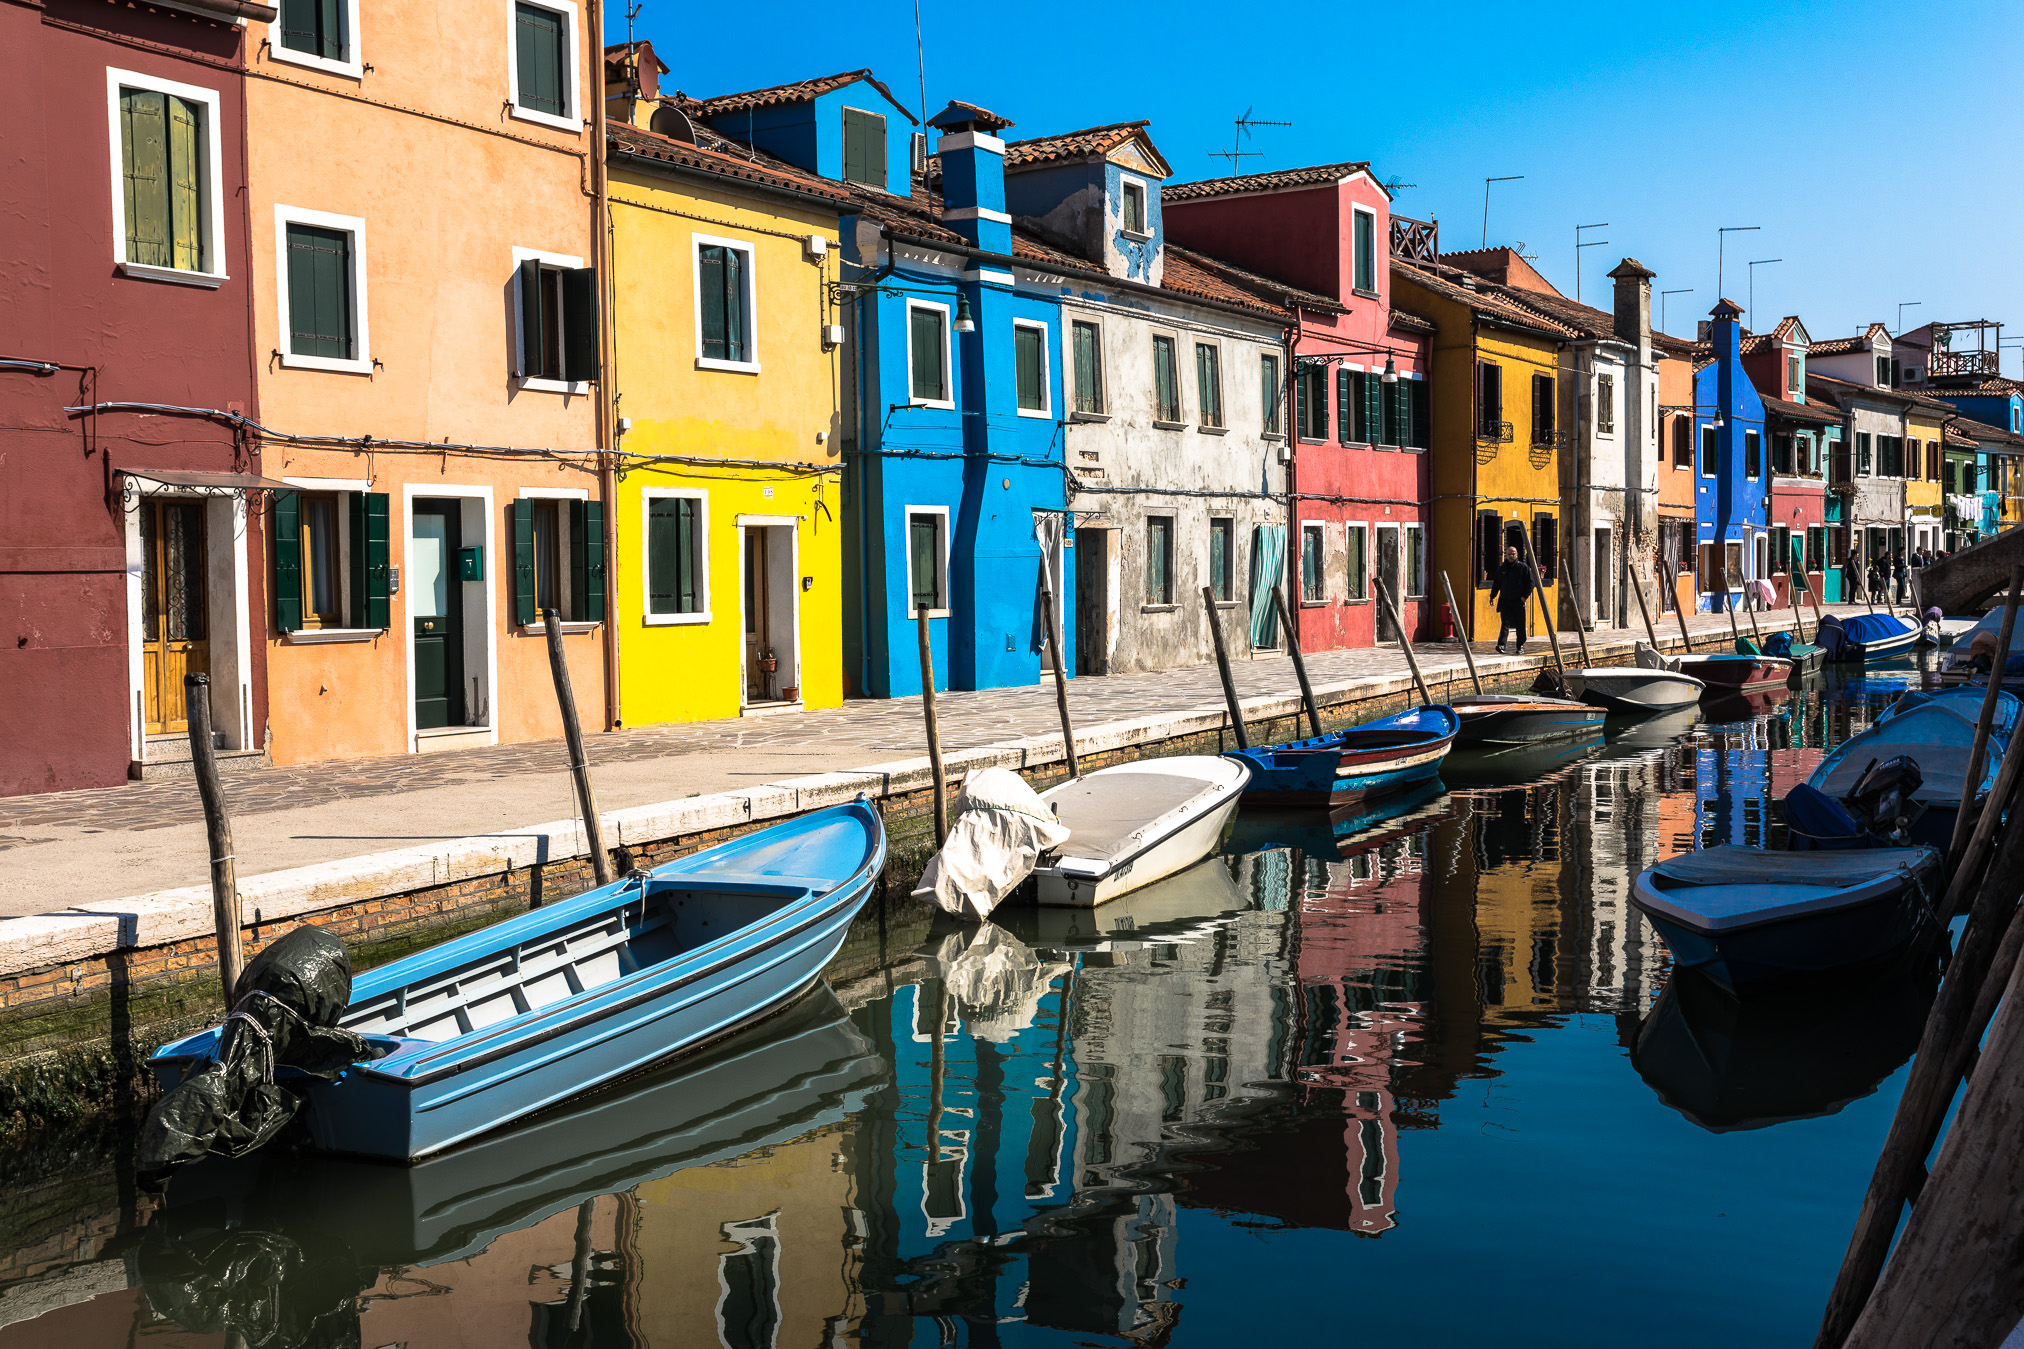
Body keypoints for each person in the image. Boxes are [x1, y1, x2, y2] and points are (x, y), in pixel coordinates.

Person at [1488, 544, 1533, 654]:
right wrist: (1492, 596)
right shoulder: (1502, 568)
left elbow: (1531, 583)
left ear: (1517, 555)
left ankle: (1520, 646)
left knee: (1520, 624)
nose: (1511, 556)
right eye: (1508, 554)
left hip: (1518, 601)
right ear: (1506, 555)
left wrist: (1524, 597)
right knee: (1505, 623)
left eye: (1513, 554)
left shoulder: (1523, 568)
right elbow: (1496, 584)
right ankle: (1501, 645)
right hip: (1505, 601)